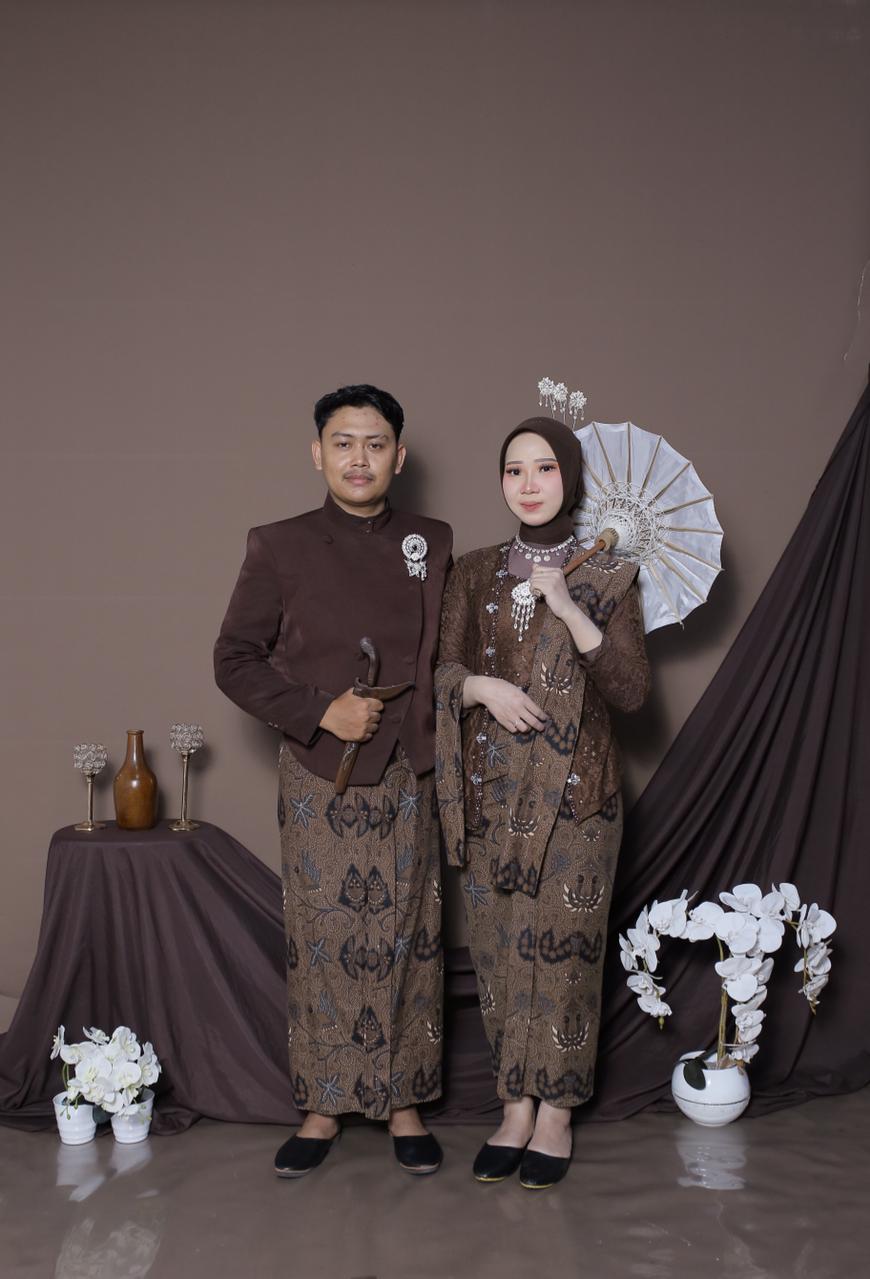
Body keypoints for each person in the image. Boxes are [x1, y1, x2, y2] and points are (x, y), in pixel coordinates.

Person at [215, 384, 452, 1178]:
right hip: (321, 769)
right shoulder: (277, 544)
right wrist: (321, 711)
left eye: (375, 443)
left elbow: (448, 652)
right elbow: (233, 660)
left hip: (410, 768)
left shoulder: (433, 540)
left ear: (399, 457)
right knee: (321, 936)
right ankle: (321, 1105)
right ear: (317, 452)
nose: (359, 457)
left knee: (412, 934)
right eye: (343, 442)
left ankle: (404, 1101)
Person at [435, 416, 650, 1189]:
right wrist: (477, 687)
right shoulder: (473, 571)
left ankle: (556, 1112)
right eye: (515, 469)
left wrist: (568, 604)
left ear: (572, 478)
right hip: (491, 795)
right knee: (498, 954)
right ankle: (514, 1105)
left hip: (578, 800)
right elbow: (441, 669)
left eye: (545, 468)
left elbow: (632, 691)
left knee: (565, 958)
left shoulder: (609, 575)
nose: (529, 484)